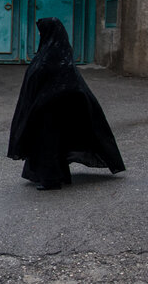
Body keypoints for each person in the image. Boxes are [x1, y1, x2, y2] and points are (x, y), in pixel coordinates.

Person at [7, 17, 126, 190]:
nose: (40, 34)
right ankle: (59, 175)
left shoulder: (52, 56)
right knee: (54, 144)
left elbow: (60, 83)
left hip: (49, 110)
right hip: (49, 108)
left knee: (47, 144)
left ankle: (51, 180)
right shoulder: (58, 52)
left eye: (42, 31)